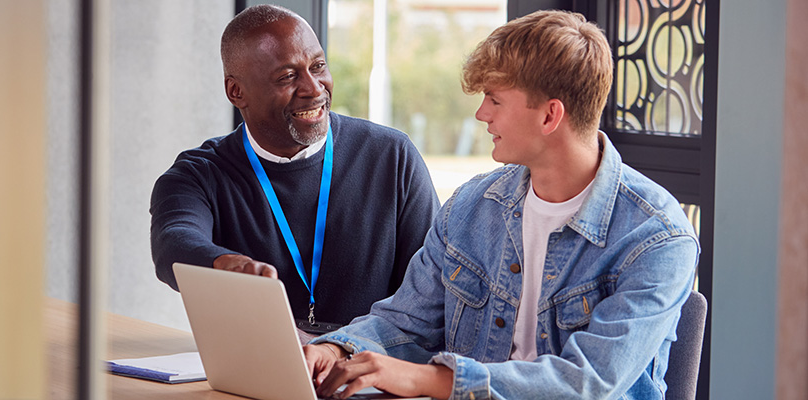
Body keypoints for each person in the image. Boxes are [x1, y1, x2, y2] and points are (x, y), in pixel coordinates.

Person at [304, 10, 700, 400]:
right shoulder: (470, 207)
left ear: (550, 115)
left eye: (494, 100)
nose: (481, 114)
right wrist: (334, 349)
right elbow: (405, 322)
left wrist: (429, 381)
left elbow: (588, 384)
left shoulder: (657, 237)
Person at [149, 4, 439, 335]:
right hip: (260, 368)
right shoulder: (200, 173)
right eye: (288, 76)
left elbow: (428, 292)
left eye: (318, 67)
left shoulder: (392, 156)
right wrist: (227, 265)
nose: (314, 88)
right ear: (236, 91)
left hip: (372, 366)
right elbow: (173, 240)